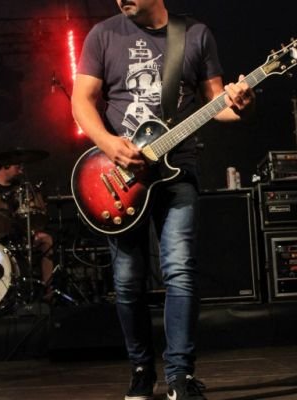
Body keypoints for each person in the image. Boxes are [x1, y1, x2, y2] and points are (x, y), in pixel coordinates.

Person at [71, 1, 255, 399]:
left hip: (177, 171)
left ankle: (180, 376)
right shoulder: (103, 35)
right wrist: (109, 144)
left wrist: (238, 102)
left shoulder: (195, 34)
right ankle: (141, 368)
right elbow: (81, 100)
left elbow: (216, 103)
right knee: (127, 281)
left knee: (180, 270)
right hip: (121, 175)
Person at [0, 162, 54, 299]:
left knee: (46, 239)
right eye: (17, 167)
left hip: (20, 233)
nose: (20, 170)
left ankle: (47, 290)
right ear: (6, 165)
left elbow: (29, 213)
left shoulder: (20, 187)